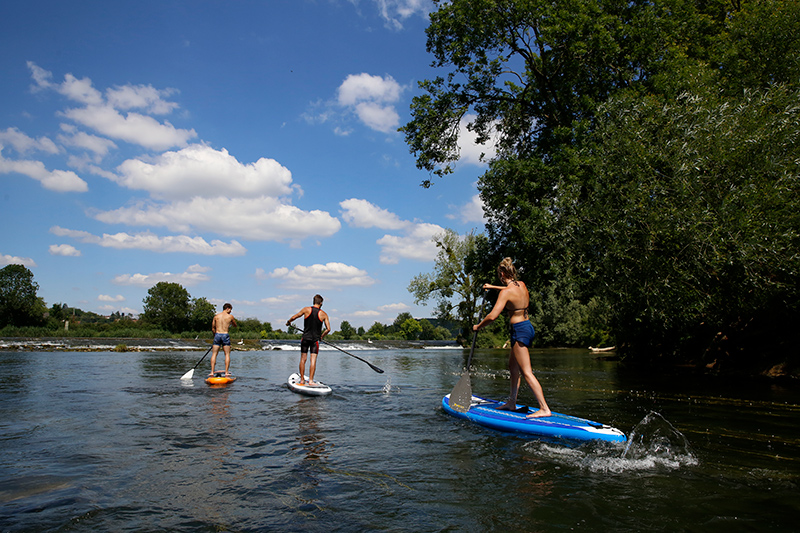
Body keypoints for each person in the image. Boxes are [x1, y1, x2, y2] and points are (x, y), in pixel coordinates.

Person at [473, 258, 551, 418]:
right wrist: (492, 287)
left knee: (526, 372)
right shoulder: (521, 285)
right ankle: (512, 402)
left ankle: (544, 408)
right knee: (513, 368)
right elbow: (509, 288)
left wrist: (478, 326)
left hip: (519, 330)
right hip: (527, 326)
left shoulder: (505, 293)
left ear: (502, 274)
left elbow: (493, 316)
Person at [286, 294, 331, 386]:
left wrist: (289, 322)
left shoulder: (306, 310)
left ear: (313, 301)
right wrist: (321, 336)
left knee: (303, 359)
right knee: (313, 360)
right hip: (315, 340)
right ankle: (310, 381)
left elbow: (294, 317)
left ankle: (302, 380)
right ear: (321, 303)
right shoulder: (324, 314)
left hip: (305, 338)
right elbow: (328, 329)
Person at [210, 303, 238, 376]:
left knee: (214, 354)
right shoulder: (230, 317)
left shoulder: (216, 316)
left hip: (217, 334)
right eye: (230, 310)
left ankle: (212, 372)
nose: (230, 312)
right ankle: (226, 372)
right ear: (227, 308)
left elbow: (213, 328)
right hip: (225, 334)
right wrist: (231, 323)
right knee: (227, 354)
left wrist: (214, 335)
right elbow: (235, 325)